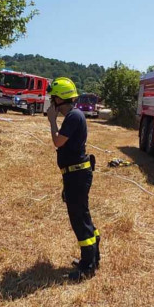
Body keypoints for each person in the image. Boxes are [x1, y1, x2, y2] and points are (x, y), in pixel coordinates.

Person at [46, 77, 101, 281]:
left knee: (79, 219)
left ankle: (87, 265)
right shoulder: (74, 116)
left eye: (53, 99)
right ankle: (93, 257)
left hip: (77, 174)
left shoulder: (73, 117)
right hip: (74, 174)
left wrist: (52, 121)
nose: (52, 103)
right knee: (82, 215)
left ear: (60, 99)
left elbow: (58, 142)